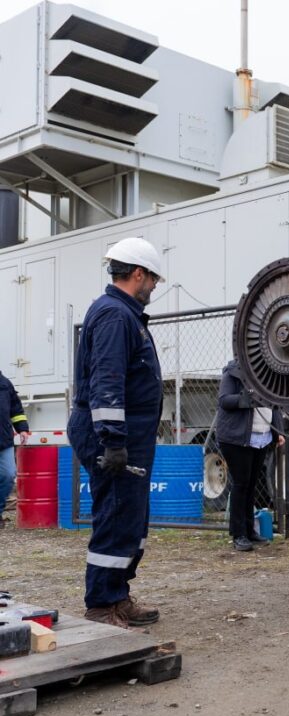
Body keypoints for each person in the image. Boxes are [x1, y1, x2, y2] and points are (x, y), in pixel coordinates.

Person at [67, 237, 164, 628]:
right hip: (113, 438)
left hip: (127, 437)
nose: (155, 286)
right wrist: (113, 440)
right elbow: (107, 381)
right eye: (153, 278)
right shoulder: (114, 315)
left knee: (130, 518)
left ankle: (118, 594)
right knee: (116, 514)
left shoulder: (122, 314)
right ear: (137, 274)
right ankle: (101, 604)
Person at [214, 359, 285, 551]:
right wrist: (246, 398)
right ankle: (239, 534)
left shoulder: (269, 375)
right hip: (236, 438)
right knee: (241, 484)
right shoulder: (233, 372)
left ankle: (249, 530)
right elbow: (224, 400)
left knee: (251, 485)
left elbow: (275, 405)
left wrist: (278, 432)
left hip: (261, 437)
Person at [0, 370, 31, 529]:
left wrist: (22, 429)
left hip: (3, 440)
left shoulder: (4, 383)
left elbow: (16, 409)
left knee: (8, 475)